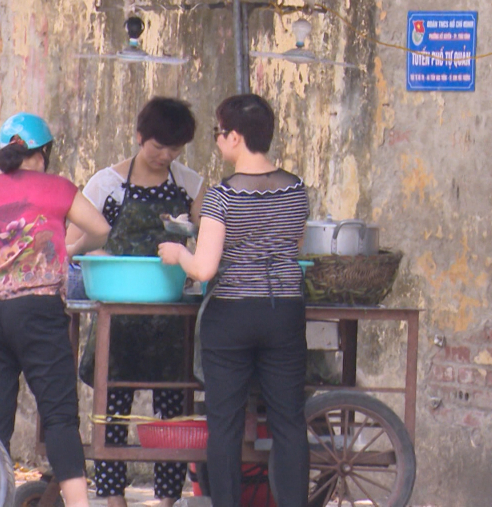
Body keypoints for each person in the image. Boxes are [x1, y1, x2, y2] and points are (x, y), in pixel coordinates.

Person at [158, 94, 310, 507]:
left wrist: (177, 253)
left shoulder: (222, 196)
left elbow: (204, 268)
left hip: (231, 316)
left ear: (236, 137)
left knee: (224, 424)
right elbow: (295, 245)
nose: (217, 139)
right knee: (289, 422)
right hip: (284, 311)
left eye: (218, 132)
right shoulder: (296, 189)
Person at [0, 112, 110, 507]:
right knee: (59, 416)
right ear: (42, 154)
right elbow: (101, 229)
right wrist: (70, 249)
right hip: (39, 314)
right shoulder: (59, 189)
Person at [66, 96, 204, 507]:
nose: (166, 156)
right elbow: (76, 244)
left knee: (173, 414)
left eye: (175, 149)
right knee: (112, 410)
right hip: (118, 317)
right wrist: (102, 257)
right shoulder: (106, 185)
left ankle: (167, 499)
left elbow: (205, 241)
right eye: (159, 146)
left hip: (172, 319)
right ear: (140, 136)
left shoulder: (191, 185)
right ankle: (113, 498)